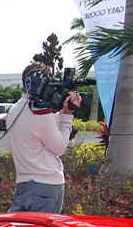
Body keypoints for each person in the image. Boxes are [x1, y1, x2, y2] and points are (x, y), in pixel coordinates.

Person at [6, 62, 82, 214]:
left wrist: (60, 114)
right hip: (47, 184)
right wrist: (67, 115)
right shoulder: (41, 113)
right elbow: (59, 147)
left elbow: (40, 130)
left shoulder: (14, 110)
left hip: (24, 183)